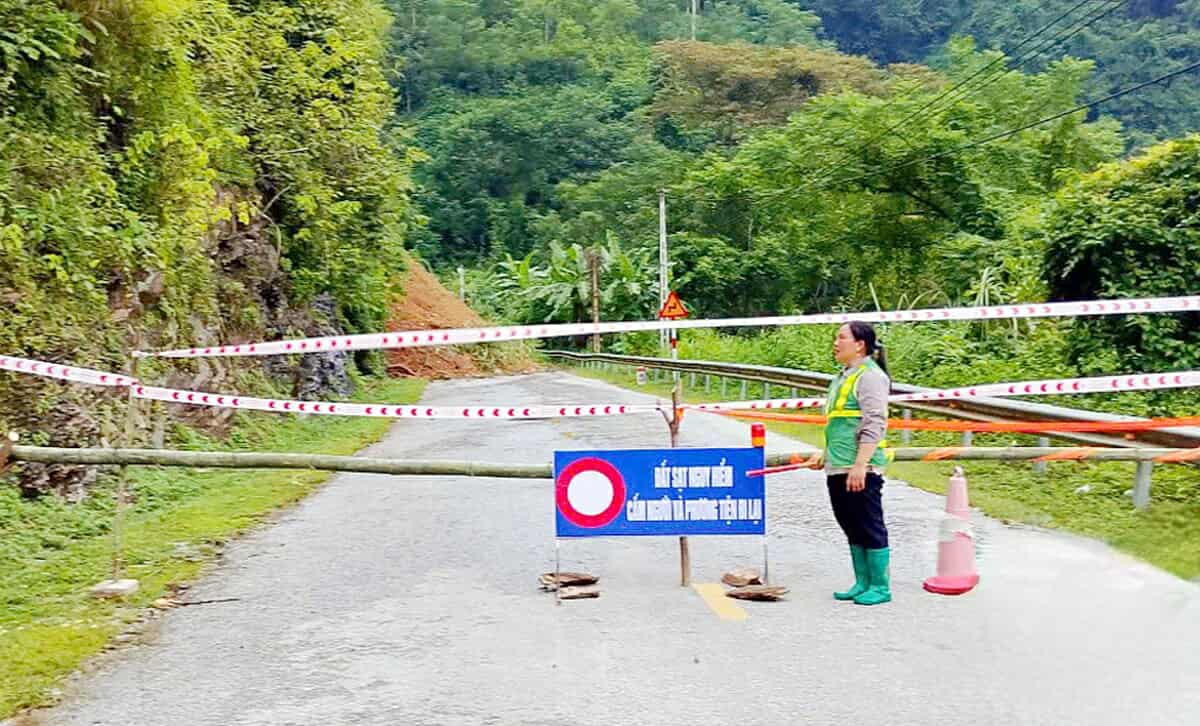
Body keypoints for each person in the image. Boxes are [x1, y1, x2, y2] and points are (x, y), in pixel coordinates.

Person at [806, 321, 893, 605]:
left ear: (860, 344)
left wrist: (861, 464)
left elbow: (874, 422)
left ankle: (880, 586)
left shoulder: (870, 377)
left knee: (869, 524)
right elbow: (840, 424)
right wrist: (826, 453)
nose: (835, 342)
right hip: (838, 464)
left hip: (860, 467)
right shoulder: (843, 376)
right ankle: (862, 582)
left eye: (841, 337)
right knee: (850, 524)